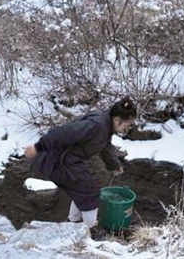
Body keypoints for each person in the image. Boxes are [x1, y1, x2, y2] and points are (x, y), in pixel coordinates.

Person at [24, 96, 137, 231]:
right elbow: (65, 132)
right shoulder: (96, 124)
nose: (126, 128)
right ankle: (89, 230)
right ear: (117, 119)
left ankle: (73, 223)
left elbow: (105, 147)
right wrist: (38, 147)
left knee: (83, 190)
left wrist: (114, 165)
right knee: (90, 191)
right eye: (126, 125)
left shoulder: (106, 125)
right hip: (58, 161)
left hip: (69, 161)